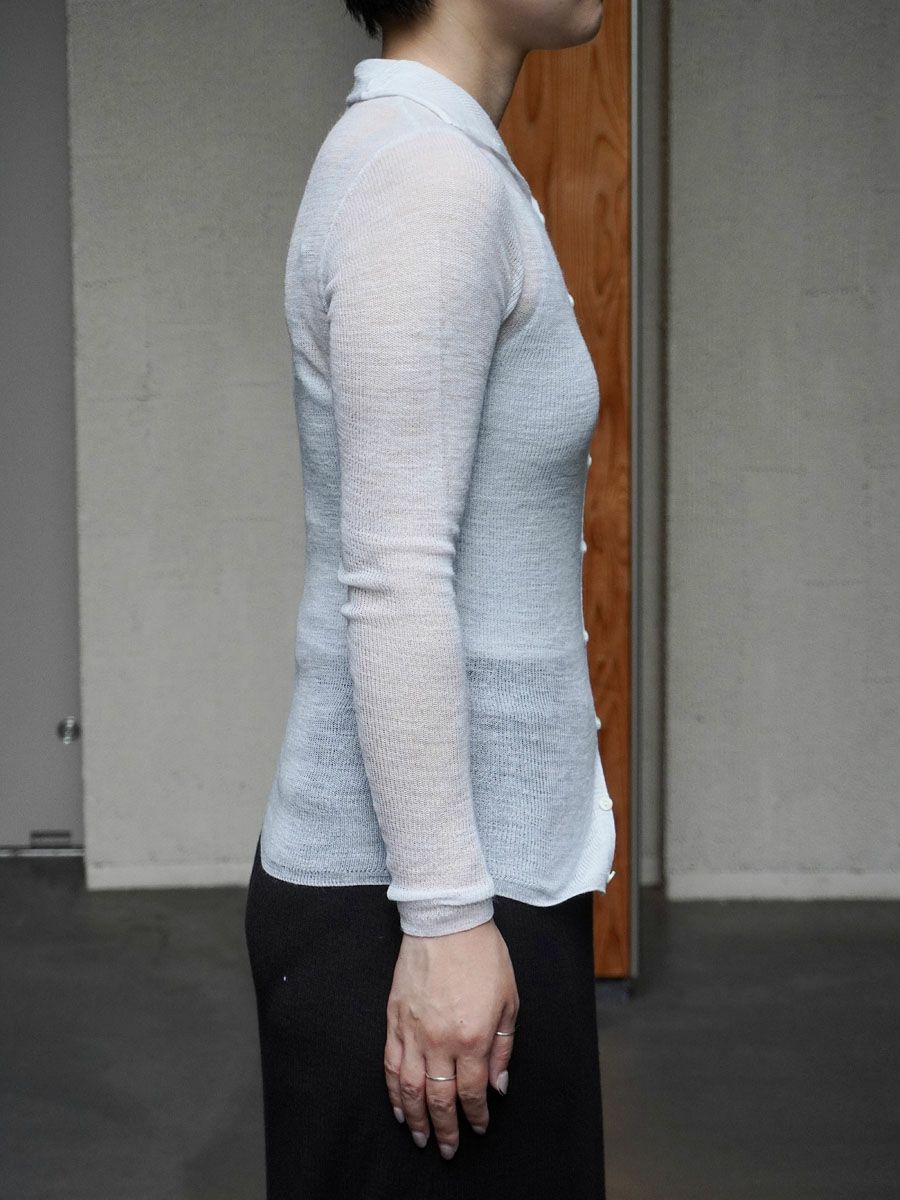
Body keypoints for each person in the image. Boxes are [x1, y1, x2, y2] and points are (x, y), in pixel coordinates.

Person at [243, 1, 617, 1196]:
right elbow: (396, 572)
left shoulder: (441, 159)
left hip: (463, 881)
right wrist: (448, 920)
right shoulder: (425, 179)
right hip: (423, 904)